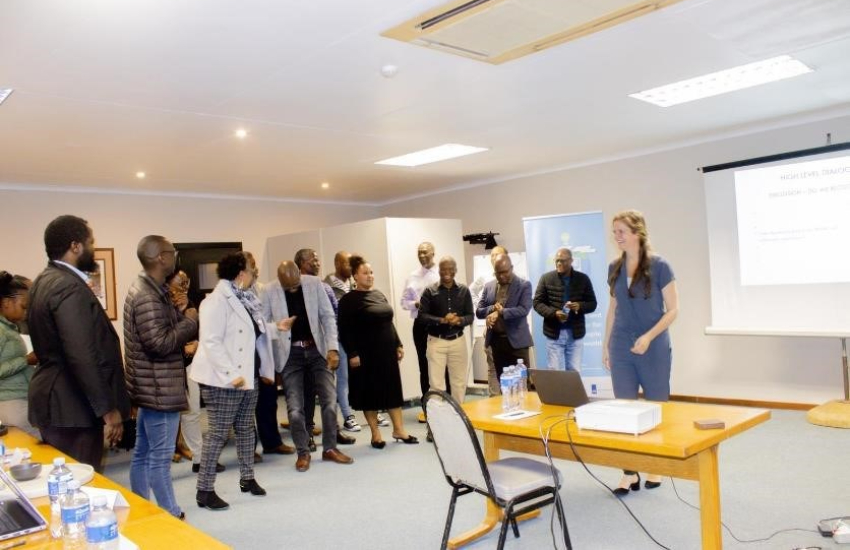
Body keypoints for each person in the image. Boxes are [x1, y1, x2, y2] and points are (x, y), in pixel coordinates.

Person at [27, 215, 131, 472]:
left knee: (65, 483)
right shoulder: (67, 286)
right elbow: (81, 354)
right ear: (75, 246)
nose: (93, 248)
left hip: (59, 401)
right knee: (78, 485)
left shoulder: (44, 279)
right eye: (91, 242)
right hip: (72, 406)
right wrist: (108, 409)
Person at [602, 210, 679, 495]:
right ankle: (629, 472)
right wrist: (605, 344)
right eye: (614, 232)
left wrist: (648, 336)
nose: (617, 237)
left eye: (621, 231)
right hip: (621, 343)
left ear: (637, 232)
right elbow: (612, 309)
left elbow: (673, 310)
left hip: (654, 343)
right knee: (624, 408)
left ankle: (655, 467)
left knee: (656, 405)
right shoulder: (614, 266)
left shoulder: (661, 266)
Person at [190, 252, 274, 510]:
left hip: (247, 374)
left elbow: (252, 332)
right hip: (223, 379)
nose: (256, 272)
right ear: (240, 273)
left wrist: (277, 328)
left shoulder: (248, 299)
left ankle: (247, 479)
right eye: (253, 269)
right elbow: (211, 342)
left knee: (247, 429)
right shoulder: (215, 301)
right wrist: (230, 375)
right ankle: (204, 490)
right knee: (217, 434)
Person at [123, 235, 199, 518]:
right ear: (161, 258)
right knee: (159, 458)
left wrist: (179, 314)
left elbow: (159, 332)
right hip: (159, 389)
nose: (175, 257)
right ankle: (170, 513)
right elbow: (160, 344)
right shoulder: (147, 295)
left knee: (143, 453)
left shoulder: (151, 289)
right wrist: (191, 321)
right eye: (172, 252)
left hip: (150, 386)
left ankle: (142, 508)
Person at [262, 261, 354, 472]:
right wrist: (269, 367)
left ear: (299, 275)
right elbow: (263, 327)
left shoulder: (314, 284)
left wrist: (332, 348)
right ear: (280, 280)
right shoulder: (269, 291)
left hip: (317, 350)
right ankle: (303, 452)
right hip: (289, 355)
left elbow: (328, 317)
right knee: (295, 409)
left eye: (296, 283)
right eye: (288, 286)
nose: (293, 288)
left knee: (330, 402)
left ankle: (330, 448)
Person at [338, 255, 418, 448]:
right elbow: (344, 329)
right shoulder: (348, 300)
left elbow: (388, 322)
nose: (370, 276)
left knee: (392, 391)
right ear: (355, 276)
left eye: (371, 272)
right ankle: (376, 434)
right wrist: (352, 353)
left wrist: (398, 344)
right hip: (364, 355)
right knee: (369, 395)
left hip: (386, 352)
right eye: (365, 273)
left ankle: (399, 429)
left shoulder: (379, 295)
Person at [166, 270, 226, 473]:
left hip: (190, 365)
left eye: (186, 282)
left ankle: (200, 459)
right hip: (169, 368)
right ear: (168, 282)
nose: (184, 287)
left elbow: (199, 329)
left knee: (192, 412)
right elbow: (159, 338)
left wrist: (198, 344)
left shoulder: (189, 303)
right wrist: (182, 348)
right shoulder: (159, 302)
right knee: (169, 418)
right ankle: (161, 465)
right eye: (179, 283)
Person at [294, 248, 355, 448]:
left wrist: (333, 346)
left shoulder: (324, 287)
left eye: (318, 260)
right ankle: (308, 435)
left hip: (324, 349)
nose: (318, 263)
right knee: (307, 396)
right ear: (301, 264)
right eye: (313, 260)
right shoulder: (293, 288)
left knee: (329, 394)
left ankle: (334, 432)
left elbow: (334, 316)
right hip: (303, 350)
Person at [418, 256, 474, 402]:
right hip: (436, 342)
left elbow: (470, 316)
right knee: (436, 385)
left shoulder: (464, 290)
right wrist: (442, 320)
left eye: (450, 269)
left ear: (455, 270)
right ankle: (438, 419)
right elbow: (422, 316)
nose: (447, 272)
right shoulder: (429, 291)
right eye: (443, 269)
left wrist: (459, 320)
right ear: (439, 270)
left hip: (458, 341)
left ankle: (458, 417)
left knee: (459, 383)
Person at [533, 248, 597, 371]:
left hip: (575, 334)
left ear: (571, 261)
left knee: (574, 373)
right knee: (555, 372)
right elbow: (537, 303)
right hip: (554, 334)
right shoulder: (546, 278)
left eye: (562, 261)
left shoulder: (583, 279)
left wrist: (580, 306)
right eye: (557, 261)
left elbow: (592, 304)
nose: (559, 264)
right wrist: (554, 313)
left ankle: (572, 391)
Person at [475, 254, 533, 384]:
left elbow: (524, 309)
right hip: (496, 343)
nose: (501, 276)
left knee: (522, 385)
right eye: (498, 273)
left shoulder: (524, 285)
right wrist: (491, 310)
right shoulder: (489, 286)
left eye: (505, 272)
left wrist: (501, 312)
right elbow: (479, 311)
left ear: (511, 268)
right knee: (504, 385)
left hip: (517, 344)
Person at [400, 242, 441, 423]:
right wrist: (414, 304)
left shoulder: (442, 273)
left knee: (441, 364)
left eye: (425, 252)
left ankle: (444, 405)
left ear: (433, 253)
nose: (422, 255)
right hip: (420, 324)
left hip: (440, 325)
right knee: (424, 366)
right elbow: (404, 301)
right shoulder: (412, 277)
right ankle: (427, 407)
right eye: (419, 253)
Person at [323, 251, 361, 433]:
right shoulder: (327, 286)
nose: (351, 268)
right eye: (348, 264)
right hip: (338, 338)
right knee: (343, 379)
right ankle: (347, 416)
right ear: (337, 264)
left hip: (355, 338)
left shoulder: (353, 284)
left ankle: (370, 409)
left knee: (359, 377)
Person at [0, 272, 38, 437]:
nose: (26, 312)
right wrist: (26, 360)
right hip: (12, 404)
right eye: (23, 306)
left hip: (21, 400)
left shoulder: (10, 328)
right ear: (7, 302)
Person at [468, 246, 508, 395]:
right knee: (492, 369)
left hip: (510, 332)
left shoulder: (516, 278)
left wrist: (500, 312)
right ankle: (494, 400)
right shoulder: (485, 278)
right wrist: (489, 310)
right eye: (492, 255)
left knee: (510, 370)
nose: (494, 257)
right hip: (491, 332)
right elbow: (471, 292)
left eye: (497, 254)